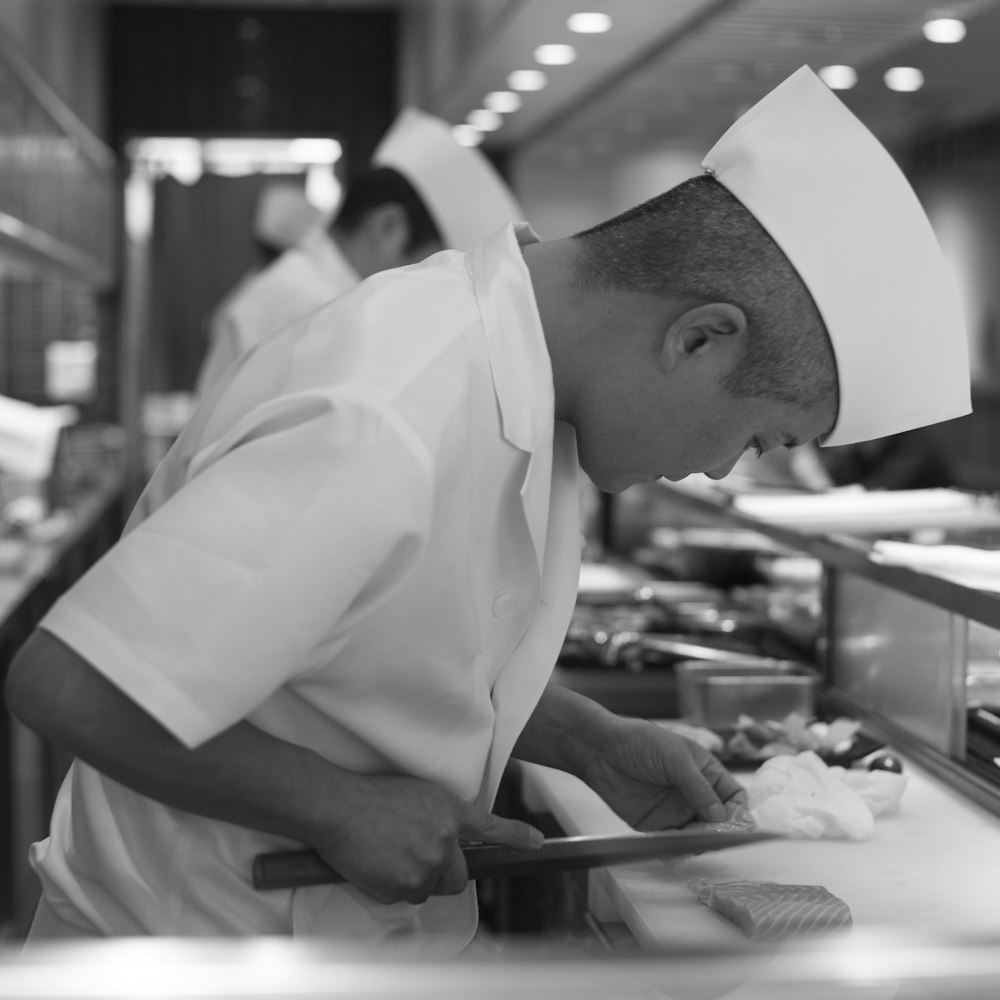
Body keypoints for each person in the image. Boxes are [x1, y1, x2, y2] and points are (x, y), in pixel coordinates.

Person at [5, 66, 970, 949]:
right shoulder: (391, 406)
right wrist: (340, 808)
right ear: (700, 340)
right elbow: (72, 685)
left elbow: (382, 644)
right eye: (755, 438)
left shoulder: (532, 395)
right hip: (192, 954)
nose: (722, 470)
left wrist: (584, 736)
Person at [193, 107, 523, 398]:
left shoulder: (320, 293)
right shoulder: (308, 305)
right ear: (388, 228)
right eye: (432, 263)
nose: (430, 288)